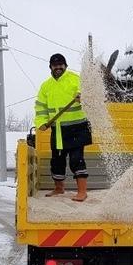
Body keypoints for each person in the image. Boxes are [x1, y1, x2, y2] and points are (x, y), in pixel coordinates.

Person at [35, 53, 92, 202]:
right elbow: (40, 108)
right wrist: (41, 122)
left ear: (65, 66)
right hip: (58, 129)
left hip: (77, 128)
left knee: (76, 159)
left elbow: (90, 95)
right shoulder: (45, 86)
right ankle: (59, 188)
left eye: (61, 65)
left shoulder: (75, 79)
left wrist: (83, 97)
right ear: (50, 67)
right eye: (55, 65)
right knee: (57, 161)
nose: (58, 67)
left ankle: (82, 192)